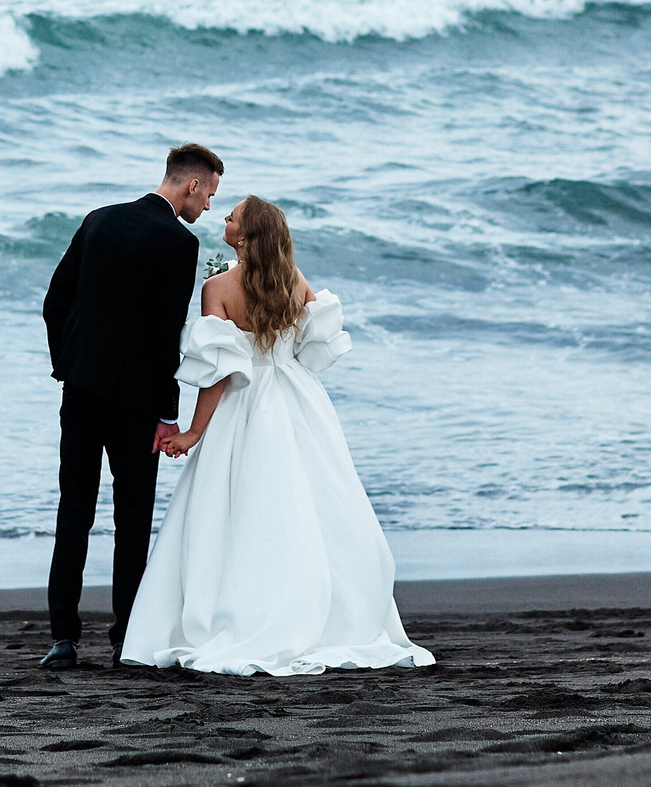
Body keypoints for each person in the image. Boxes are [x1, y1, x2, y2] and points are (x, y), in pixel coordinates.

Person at [118, 195, 433, 675]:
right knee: (309, 504)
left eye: (233, 217)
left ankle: (243, 609)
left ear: (244, 237)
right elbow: (311, 345)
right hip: (298, 399)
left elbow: (221, 371)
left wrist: (195, 433)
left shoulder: (219, 287)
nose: (224, 218)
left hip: (244, 405)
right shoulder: (294, 281)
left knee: (238, 513)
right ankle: (327, 612)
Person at [38, 142, 221, 668]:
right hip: (138, 403)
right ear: (191, 184)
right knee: (132, 520)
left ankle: (63, 639)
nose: (207, 205)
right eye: (209, 193)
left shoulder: (99, 220)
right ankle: (125, 638)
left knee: (73, 512)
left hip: (82, 390)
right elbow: (166, 335)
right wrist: (170, 412)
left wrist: (66, 364)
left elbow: (55, 300)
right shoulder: (178, 243)